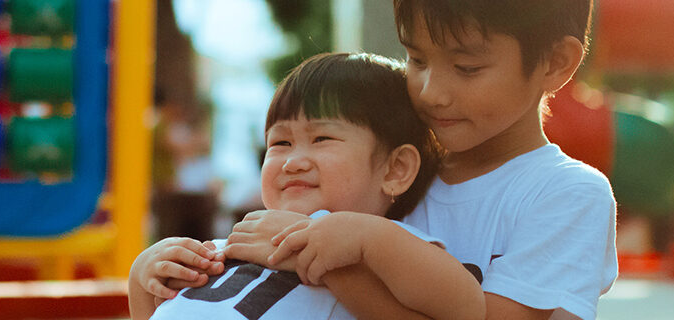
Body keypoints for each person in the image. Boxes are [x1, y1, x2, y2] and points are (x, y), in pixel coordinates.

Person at [226, 0, 619, 319]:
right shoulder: (392, 167)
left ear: (555, 62)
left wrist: (324, 260)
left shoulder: (567, 193)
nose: (432, 92)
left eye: (467, 68)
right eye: (416, 59)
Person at [128, 53, 484, 320]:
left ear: (396, 169)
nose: (292, 160)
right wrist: (143, 278)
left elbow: (466, 308)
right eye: (279, 143)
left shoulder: (387, 246)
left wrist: (366, 240)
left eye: (322, 138)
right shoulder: (231, 245)